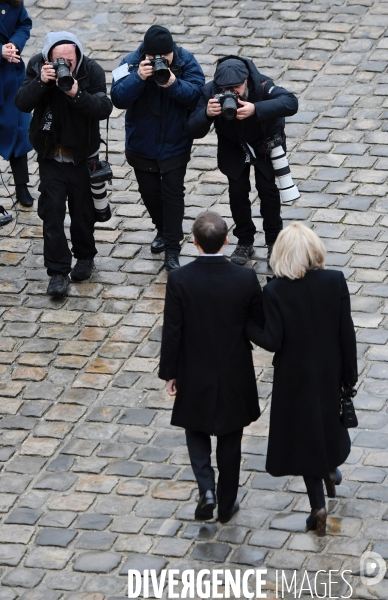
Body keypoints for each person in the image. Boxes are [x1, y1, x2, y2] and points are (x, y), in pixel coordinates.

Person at [245, 222, 358, 536]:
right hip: (330, 372)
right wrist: (348, 376)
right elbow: (346, 333)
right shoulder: (335, 281)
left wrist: (246, 326)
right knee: (326, 427)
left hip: (294, 379)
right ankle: (331, 473)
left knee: (307, 439)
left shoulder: (275, 291)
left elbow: (272, 339)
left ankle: (318, 506)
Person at [159, 211, 264, 522]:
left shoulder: (180, 279)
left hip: (195, 367)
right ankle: (227, 504)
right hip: (234, 368)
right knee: (231, 439)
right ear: (227, 240)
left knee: (196, 429)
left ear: (193, 243)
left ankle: (206, 488)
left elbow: (172, 329)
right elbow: (257, 322)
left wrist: (170, 372)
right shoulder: (245, 278)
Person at [15, 31, 112, 296]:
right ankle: (57, 272)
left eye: (69, 60)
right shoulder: (37, 65)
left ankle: (85, 256)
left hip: (82, 158)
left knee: (83, 213)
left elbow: (104, 108)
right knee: (52, 214)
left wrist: (77, 93)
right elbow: (21, 103)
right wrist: (41, 82)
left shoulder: (90, 70)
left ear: (78, 56)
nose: (64, 66)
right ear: (48, 58)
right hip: (50, 157)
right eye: (60, 61)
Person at [187, 56, 298, 266]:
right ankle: (245, 240)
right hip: (233, 146)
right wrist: (206, 114)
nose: (232, 92)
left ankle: (274, 240)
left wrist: (256, 109)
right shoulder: (210, 91)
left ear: (246, 80)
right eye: (225, 88)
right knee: (237, 193)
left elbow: (291, 102)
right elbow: (192, 129)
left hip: (265, 144)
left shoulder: (263, 86)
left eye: (236, 87)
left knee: (268, 190)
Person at [111, 25, 205, 272]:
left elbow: (198, 96)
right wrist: (138, 78)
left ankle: (172, 249)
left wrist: (174, 83)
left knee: (173, 195)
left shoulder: (186, 61)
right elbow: (117, 98)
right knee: (150, 193)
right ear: (146, 55)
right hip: (142, 144)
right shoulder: (131, 62)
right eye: (154, 59)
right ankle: (163, 231)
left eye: (165, 57)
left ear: (172, 51)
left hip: (175, 143)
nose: (159, 62)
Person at [0, 0, 33, 207]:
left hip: (11, 78)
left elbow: (24, 24)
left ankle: (22, 186)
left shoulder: (14, 3)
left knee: (19, 131)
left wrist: (14, 44)